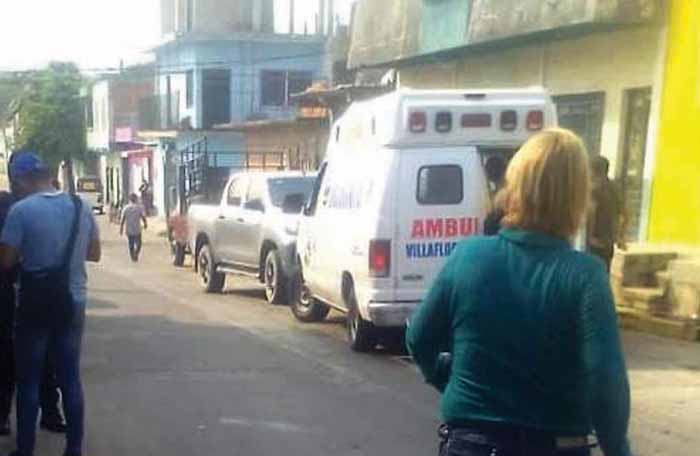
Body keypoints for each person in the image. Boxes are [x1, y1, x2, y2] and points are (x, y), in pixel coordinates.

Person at [406, 129, 631, 456]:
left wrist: (448, 380)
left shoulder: (468, 257)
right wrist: (618, 450)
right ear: (577, 199)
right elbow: (605, 383)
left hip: (472, 445)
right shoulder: (586, 276)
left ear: (514, 188)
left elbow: (419, 338)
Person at [0, 153, 101, 456]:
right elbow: (94, 254)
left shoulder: (21, 211)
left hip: (34, 303)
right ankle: (74, 449)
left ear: (21, 180)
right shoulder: (80, 206)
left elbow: (6, 261)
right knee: (69, 377)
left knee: (29, 380)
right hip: (73, 301)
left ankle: (25, 450)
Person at [588, 156, 626, 271]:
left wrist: (590, 236)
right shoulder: (615, 189)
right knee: (605, 270)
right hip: (609, 242)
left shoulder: (594, 189)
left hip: (595, 241)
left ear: (593, 170)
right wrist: (620, 236)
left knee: (591, 272)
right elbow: (625, 213)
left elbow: (592, 212)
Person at [120, 193, 147, 262]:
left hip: (129, 229)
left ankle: (133, 256)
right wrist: (145, 224)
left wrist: (121, 229)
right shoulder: (139, 208)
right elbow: (143, 217)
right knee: (139, 244)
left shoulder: (126, 208)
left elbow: (122, 219)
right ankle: (136, 253)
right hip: (137, 229)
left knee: (131, 244)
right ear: (135, 199)